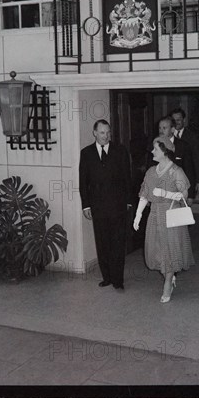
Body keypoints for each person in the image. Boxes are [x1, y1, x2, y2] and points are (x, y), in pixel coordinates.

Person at [133, 136, 195, 303]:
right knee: (157, 251)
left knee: (169, 250)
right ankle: (169, 275)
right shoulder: (151, 172)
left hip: (171, 214)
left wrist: (166, 194)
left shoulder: (176, 171)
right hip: (154, 215)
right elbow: (144, 195)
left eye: (156, 149)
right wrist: (138, 215)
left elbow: (184, 195)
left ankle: (168, 282)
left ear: (165, 152)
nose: (152, 151)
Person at [79, 120, 132, 291]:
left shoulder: (120, 151)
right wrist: (86, 205)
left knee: (117, 242)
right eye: (102, 133)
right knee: (102, 243)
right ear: (95, 133)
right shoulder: (86, 153)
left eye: (108, 132)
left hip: (117, 206)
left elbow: (127, 178)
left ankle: (118, 279)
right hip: (98, 207)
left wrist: (128, 201)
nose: (106, 136)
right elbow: (83, 182)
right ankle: (107, 277)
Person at [157, 116, 196, 204]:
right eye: (159, 128)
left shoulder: (183, 146)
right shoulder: (155, 146)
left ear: (172, 129)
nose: (161, 131)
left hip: (178, 193)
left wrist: (190, 195)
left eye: (164, 128)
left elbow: (189, 171)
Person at [171, 107, 199, 201]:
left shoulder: (192, 137)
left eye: (179, 119)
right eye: (174, 120)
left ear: (184, 120)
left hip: (188, 178)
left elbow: (197, 159)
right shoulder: (168, 136)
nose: (176, 122)